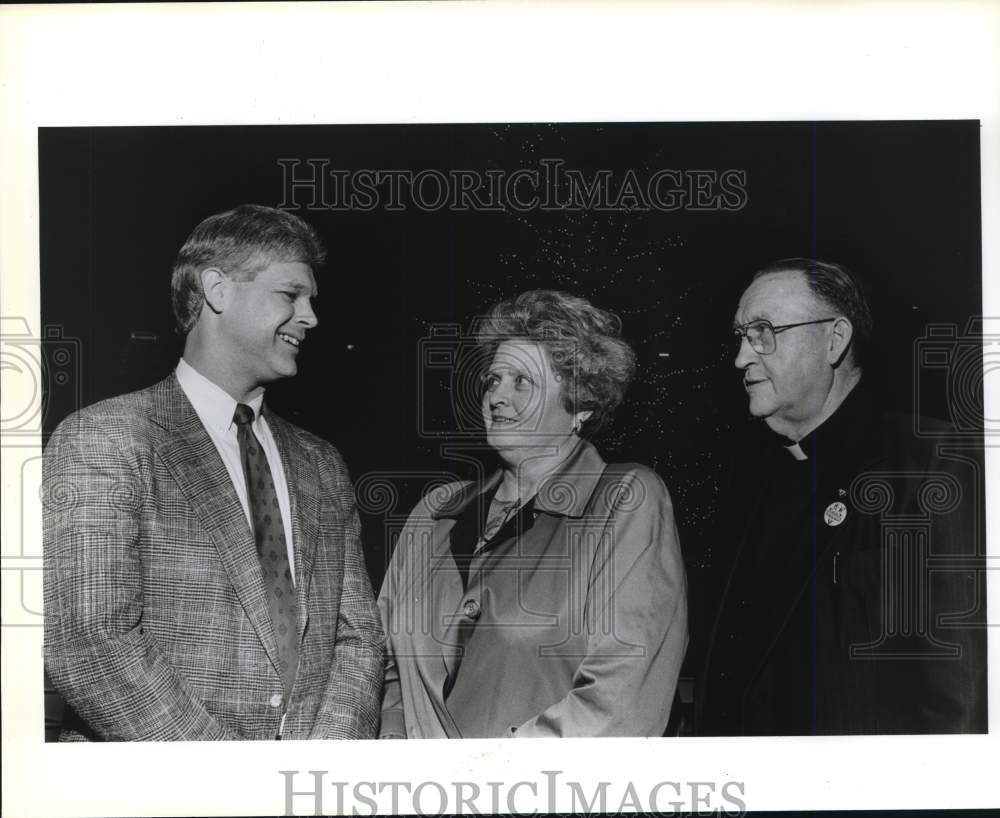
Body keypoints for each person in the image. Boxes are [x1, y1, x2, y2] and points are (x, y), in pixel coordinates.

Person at [43, 205, 383, 740]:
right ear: (217, 291)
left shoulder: (323, 464)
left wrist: (314, 770)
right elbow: (90, 638)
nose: (311, 316)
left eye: (311, 300)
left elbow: (357, 638)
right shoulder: (108, 437)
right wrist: (228, 780)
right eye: (291, 295)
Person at [378, 290, 688, 738]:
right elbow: (386, 664)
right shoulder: (437, 512)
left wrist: (486, 783)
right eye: (493, 380)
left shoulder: (625, 499)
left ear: (581, 406)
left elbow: (619, 700)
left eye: (522, 382)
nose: (497, 397)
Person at [697, 258, 986, 735]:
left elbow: (963, 689)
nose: (741, 358)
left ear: (834, 339)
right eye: (742, 335)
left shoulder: (933, 462)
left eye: (765, 331)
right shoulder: (747, 481)